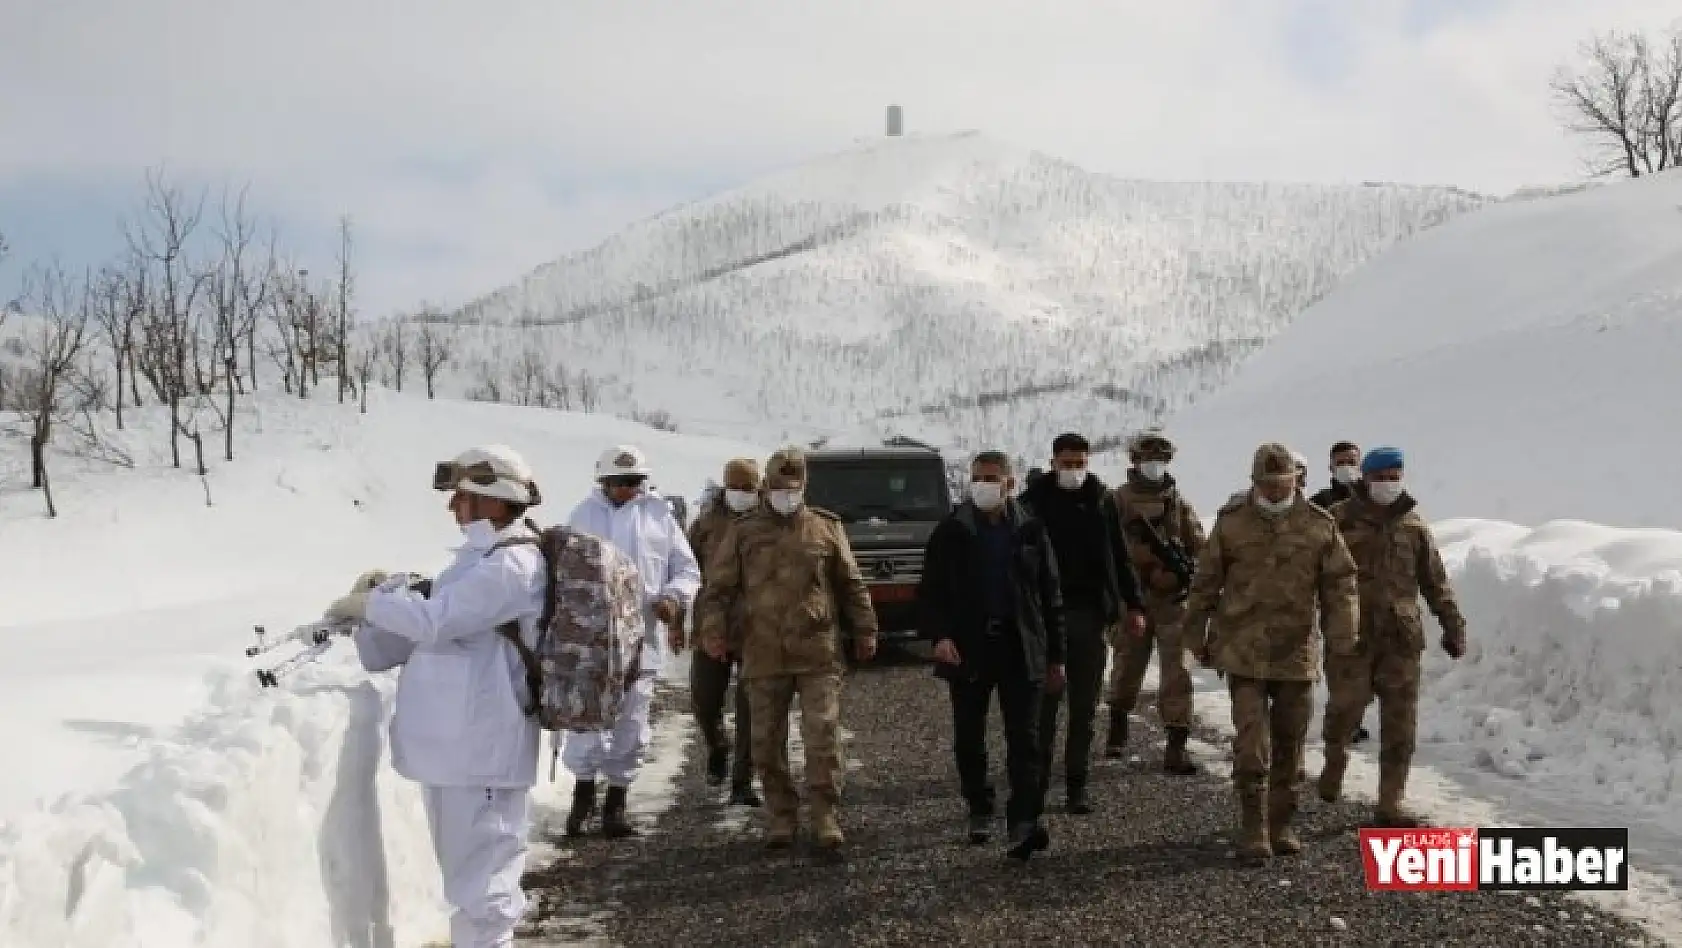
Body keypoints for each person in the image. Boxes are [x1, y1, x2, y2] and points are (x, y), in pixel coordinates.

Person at [329, 444, 547, 947]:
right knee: (469, 884)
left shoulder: (513, 565)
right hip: (458, 755)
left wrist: (373, 605)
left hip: (483, 756)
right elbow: (414, 632)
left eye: (462, 496)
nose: (453, 507)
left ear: (493, 498)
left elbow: (435, 620)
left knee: (485, 891)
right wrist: (384, 599)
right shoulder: (479, 560)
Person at [1182, 442, 1360, 865]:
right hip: (1243, 650)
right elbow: (1206, 581)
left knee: (1290, 743)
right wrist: (1195, 633)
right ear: (1254, 483)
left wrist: (1343, 635)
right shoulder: (1232, 524)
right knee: (1250, 744)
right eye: (1268, 485)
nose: (1276, 492)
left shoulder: (1319, 525)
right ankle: (1253, 826)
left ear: (1297, 481)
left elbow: (1341, 583)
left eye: (1283, 484)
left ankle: (1281, 823)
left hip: (1295, 653)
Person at [695, 447, 879, 849]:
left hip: (817, 651)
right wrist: (713, 631)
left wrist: (865, 629)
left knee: (822, 735)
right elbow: (717, 590)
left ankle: (824, 813)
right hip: (763, 652)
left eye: (792, 488)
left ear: (803, 487)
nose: (785, 494)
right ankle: (781, 814)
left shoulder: (825, 528)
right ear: (767, 487)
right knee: (765, 741)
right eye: (778, 487)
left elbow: (851, 584)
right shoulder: (742, 533)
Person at [919, 450, 1065, 860]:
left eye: (992, 478)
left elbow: (1050, 594)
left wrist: (1056, 655)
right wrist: (940, 636)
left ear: (1009, 483)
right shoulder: (952, 531)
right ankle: (979, 807)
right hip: (969, 648)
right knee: (969, 736)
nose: (984, 485)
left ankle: (1023, 821)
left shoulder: (1031, 530)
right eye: (978, 477)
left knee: (1026, 739)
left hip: (1021, 646)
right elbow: (931, 592)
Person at [1319, 446, 1468, 827]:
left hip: (1400, 640)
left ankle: (1389, 805)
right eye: (1380, 477)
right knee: (1344, 710)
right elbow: (1313, 576)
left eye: (1394, 476)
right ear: (1366, 479)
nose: (1388, 484)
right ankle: (1335, 761)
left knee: (1400, 725)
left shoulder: (1414, 527)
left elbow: (1436, 583)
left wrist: (1453, 626)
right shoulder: (1338, 521)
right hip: (1351, 637)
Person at [561, 444, 701, 838]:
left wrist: (674, 597)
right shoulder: (582, 516)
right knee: (587, 719)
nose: (629, 490)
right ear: (604, 482)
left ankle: (616, 803)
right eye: (621, 483)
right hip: (592, 639)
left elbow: (687, 568)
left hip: (642, 637)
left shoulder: (660, 517)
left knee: (632, 721)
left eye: (636, 482)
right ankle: (582, 798)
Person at [1019, 432, 1147, 814]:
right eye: (1067, 463)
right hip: (1043, 618)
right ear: (1053, 460)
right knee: (1043, 708)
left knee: (1084, 707)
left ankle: (1077, 786)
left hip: (1089, 615)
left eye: (1080, 463)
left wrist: (1134, 605)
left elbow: (1120, 557)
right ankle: (1035, 787)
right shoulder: (1033, 504)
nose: (1074, 471)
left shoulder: (1101, 500)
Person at [1105, 428, 1206, 774]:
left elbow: (1200, 547)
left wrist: (1185, 571)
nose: (1155, 464)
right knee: (1127, 667)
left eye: (1161, 458)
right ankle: (1118, 722)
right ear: (1134, 460)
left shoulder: (1178, 502)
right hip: (1131, 600)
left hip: (1172, 601)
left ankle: (1176, 743)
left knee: (1177, 672)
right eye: (1148, 457)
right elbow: (1106, 550)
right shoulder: (1117, 501)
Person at [686, 458, 764, 806]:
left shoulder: (767, 522)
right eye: (737, 488)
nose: (743, 495)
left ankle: (742, 780)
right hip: (712, 623)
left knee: (750, 708)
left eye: (750, 489)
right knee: (704, 700)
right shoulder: (705, 523)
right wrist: (683, 623)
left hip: (755, 627)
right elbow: (686, 571)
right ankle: (718, 745)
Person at [1309, 441, 1362, 510]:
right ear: (1331, 468)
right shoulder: (1319, 501)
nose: (1346, 466)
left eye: (1351, 462)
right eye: (1340, 463)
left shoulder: (1371, 498)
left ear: (1360, 467)